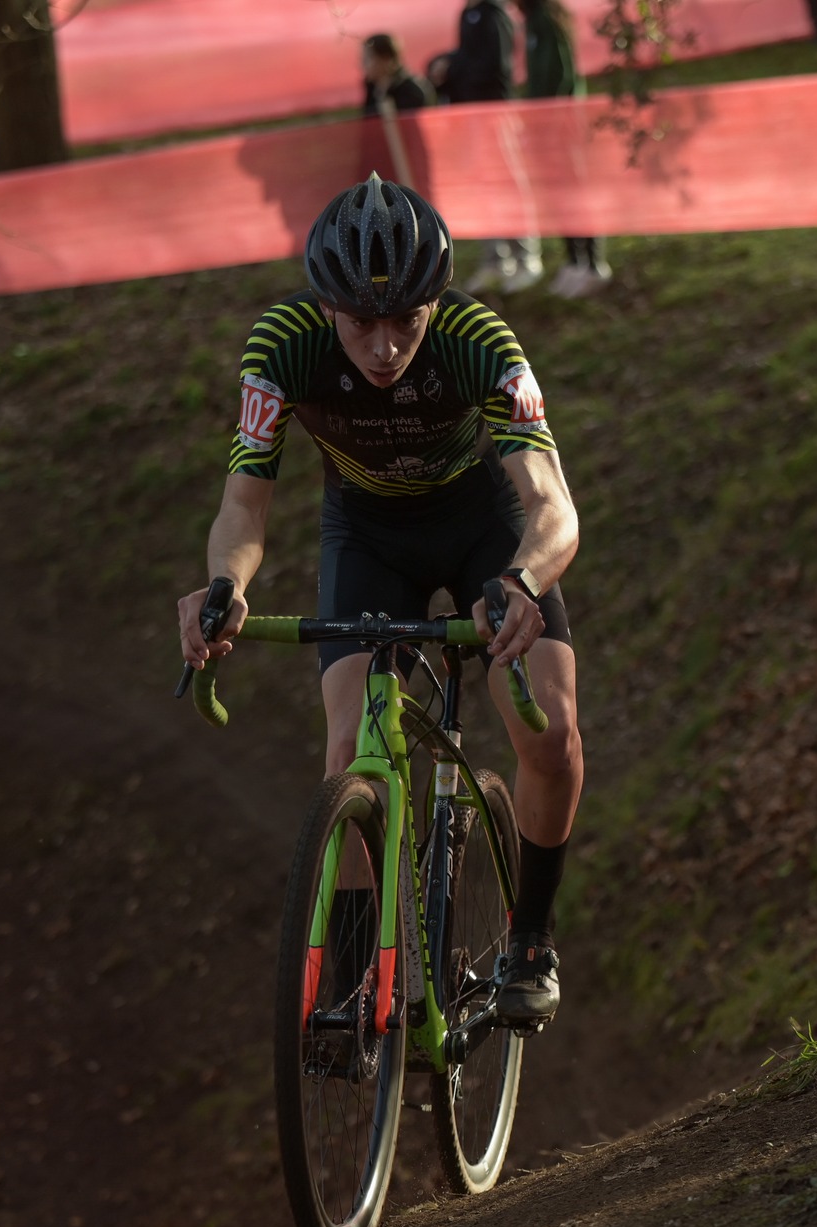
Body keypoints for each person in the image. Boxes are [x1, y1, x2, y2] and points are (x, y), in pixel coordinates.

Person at [178, 175, 582, 1026]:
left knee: (550, 733)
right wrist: (226, 584)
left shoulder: (478, 338)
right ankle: (354, 986)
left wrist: (522, 580)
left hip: (484, 530)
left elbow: (553, 503)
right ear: (327, 307)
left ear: (437, 303)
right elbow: (244, 506)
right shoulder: (283, 343)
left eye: (406, 319)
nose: (385, 346)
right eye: (361, 323)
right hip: (366, 536)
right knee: (347, 750)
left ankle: (530, 941)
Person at [437, 0, 541, 294]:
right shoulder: (468, 13)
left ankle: (526, 258)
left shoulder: (493, 14)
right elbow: (467, 55)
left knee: (508, 184)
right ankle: (496, 260)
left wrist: (454, 69)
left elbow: (493, 65)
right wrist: (442, 64)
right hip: (469, 118)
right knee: (481, 188)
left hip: (493, 116)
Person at [517, 0, 610, 298]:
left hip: (562, 129)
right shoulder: (533, 21)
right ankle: (574, 261)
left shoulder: (546, 20)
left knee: (576, 191)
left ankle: (594, 264)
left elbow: (561, 75)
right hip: (546, 129)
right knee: (559, 195)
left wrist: (549, 121)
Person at [360, 33, 435, 116]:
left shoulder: (411, 90)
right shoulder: (373, 87)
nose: (363, 64)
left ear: (387, 59)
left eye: (368, 58)